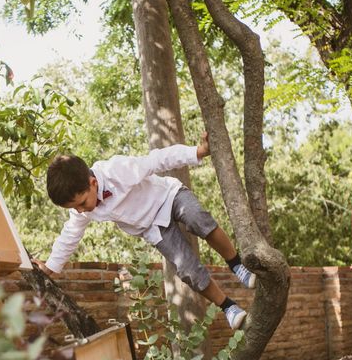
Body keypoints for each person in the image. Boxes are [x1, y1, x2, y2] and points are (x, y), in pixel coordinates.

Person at [34, 133, 256, 330]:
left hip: (168, 196)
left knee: (198, 219)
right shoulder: (82, 211)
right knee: (187, 269)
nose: (80, 211)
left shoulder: (116, 170)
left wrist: (198, 152)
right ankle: (228, 307)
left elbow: (157, 160)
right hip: (152, 226)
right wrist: (52, 267)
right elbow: (70, 234)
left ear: (93, 183)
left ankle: (236, 264)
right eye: (75, 208)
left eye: (81, 203)